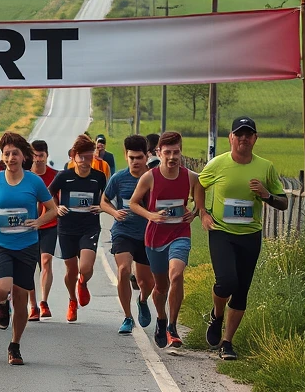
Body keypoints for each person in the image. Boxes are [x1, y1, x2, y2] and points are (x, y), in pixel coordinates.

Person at [195, 117, 286, 361]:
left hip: (250, 235)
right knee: (226, 282)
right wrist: (202, 212)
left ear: (255, 139)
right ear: (231, 138)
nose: (244, 138)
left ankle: (227, 342)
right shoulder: (218, 164)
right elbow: (198, 185)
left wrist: (266, 195)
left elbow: (283, 202)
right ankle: (216, 314)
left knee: (241, 291)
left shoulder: (265, 167)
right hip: (222, 232)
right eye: (239, 134)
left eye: (249, 134)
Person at [0, 132, 58, 365]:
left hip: (26, 245)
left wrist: (39, 222)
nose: (11, 157)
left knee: (22, 299)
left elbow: (52, 209)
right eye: (6, 154)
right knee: (0, 289)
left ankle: (15, 345)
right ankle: (3, 305)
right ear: (2, 157)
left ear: (23, 156)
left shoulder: (34, 181)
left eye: (15, 153)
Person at [129, 131, 197, 348]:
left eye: (176, 152)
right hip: (155, 237)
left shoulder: (191, 177)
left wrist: (194, 213)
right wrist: (151, 215)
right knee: (160, 287)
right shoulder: (149, 177)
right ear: (159, 152)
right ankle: (161, 318)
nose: (172, 157)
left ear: (181, 151)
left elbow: (201, 203)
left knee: (176, 275)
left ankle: (173, 327)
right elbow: (133, 203)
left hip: (179, 233)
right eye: (167, 152)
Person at [49, 135, 107, 323]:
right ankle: (72, 300)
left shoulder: (98, 177)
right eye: (81, 157)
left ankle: (83, 283)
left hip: (89, 226)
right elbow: (48, 195)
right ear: (74, 157)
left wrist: (101, 206)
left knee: (85, 267)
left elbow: (105, 198)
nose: (84, 161)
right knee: (71, 270)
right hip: (66, 227)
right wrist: (57, 207)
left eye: (89, 157)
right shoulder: (64, 176)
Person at [100, 135, 155, 334]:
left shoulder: (153, 177)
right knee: (123, 270)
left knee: (147, 282)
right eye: (131, 158)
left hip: (148, 234)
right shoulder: (119, 178)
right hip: (123, 231)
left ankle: (142, 300)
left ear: (146, 157)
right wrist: (114, 212)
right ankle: (127, 317)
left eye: (139, 158)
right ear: (126, 156)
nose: (135, 162)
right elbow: (103, 201)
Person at [27, 139, 59, 320]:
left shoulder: (55, 176)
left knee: (46, 261)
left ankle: (44, 302)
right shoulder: (25, 176)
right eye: (34, 155)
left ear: (47, 156)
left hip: (49, 225)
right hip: (29, 227)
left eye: (41, 155)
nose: (38, 159)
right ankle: (33, 306)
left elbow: (62, 198)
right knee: (30, 267)